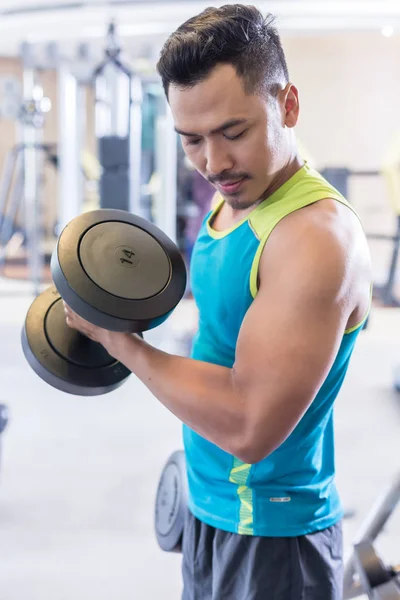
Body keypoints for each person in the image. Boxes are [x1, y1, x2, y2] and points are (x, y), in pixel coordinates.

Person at [64, 4, 372, 599]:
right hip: (214, 507)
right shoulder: (235, 194)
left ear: (287, 105)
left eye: (234, 132)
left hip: (275, 536)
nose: (214, 162)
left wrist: (123, 345)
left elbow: (250, 425)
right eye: (193, 141)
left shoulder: (314, 239)